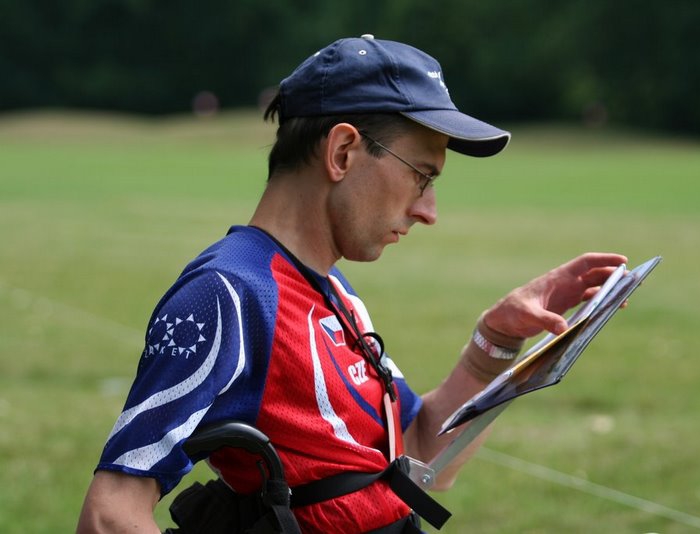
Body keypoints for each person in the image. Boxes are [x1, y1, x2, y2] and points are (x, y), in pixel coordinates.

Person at [77, 34, 627, 533]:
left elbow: (416, 450)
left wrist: (496, 345)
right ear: (342, 152)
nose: (429, 210)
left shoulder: (334, 292)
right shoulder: (228, 293)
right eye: (421, 175)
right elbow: (110, 513)